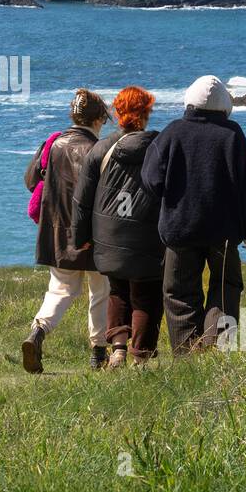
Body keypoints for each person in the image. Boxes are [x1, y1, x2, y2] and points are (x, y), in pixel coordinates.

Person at [141, 75, 246, 354]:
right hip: (224, 232)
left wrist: (172, 196)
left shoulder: (172, 132)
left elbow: (150, 180)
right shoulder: (233, 135)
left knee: (180, 293)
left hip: (180, 228)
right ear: (224, 105)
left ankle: (187, 354)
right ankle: (214, 347)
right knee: (225, 287)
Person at [70, 86, 164, 369]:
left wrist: (80, 237)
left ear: (117, 113)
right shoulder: (159, 146)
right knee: (147, 294)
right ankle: (141, 355)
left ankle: (119, 349)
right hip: (149, 235)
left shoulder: (101, 149)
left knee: (118, 290)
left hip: (109, 235)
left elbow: (82, 200)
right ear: (146, 113)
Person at [21, 88, 112, 373]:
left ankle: (37, 332)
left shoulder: (53, 143)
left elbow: (29, 181)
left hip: (57, 232)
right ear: (98, 119)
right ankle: (98, 353)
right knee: (101, 291)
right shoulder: (100, 149)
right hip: (95, 234)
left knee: (60, 290)